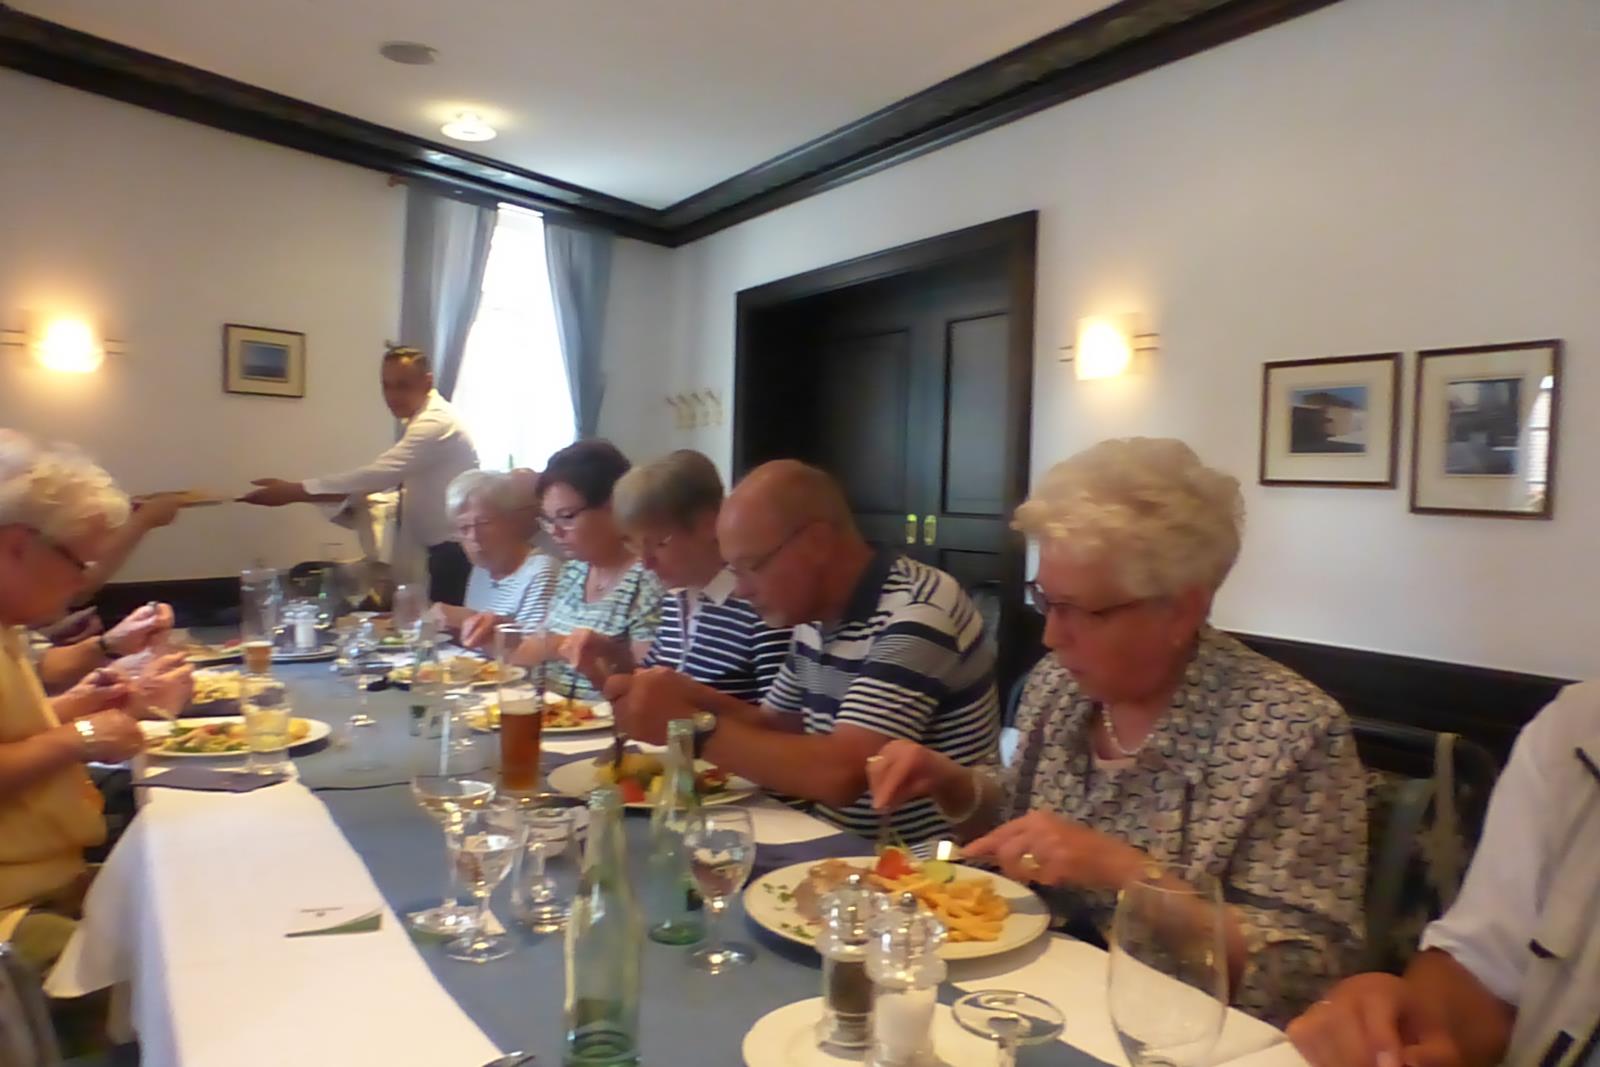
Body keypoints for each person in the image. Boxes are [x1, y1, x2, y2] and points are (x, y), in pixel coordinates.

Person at [866, 437, 1366, 1025]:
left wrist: (1128, 875)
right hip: (1021, 999)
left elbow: (1302, 975)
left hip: (1174, 1037)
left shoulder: (1291, 732)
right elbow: (1023, 829)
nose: (1051, 635)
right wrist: (955, 786)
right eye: (1045, 601)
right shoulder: (1059, 687)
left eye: (1083, 611)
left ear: (1181, 610)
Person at [607, 460, 998, 843]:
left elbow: (843, 775)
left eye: (750, 567)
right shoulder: (814, 612)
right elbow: (778, 726)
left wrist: (691, 725)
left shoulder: (917, 611)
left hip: (923, 866)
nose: (740, 590)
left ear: (816, 543)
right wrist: (686, 693)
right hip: (835, 848)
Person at [1286, 681, 1600, 1067]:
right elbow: (1484, 972)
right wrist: (1399, 1028)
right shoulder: (1577, 729)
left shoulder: (1295, 718)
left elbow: (1294, 955)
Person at [0, 433, 155, 970]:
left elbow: (14, 733)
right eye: (78, 562)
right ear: (17, 546)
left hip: (51, 878)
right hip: (14, 909)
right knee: (160, 970)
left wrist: (81, 708)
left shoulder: (8, 628)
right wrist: (80, 737)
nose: (84, 581)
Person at [239, 345, 479, 604]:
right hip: (438, 547)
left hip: (454, 550)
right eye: (386, 385)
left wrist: (294, 492)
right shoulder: (422, 418)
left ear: (427, 382)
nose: (392, 396)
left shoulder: (435, 423)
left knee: (445, 625)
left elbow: (377, 475)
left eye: (402, 386)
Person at [566, 449, 793, 701]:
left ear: (709, 524)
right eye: (636, 546)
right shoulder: (676, 599)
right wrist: (608, 655)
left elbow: (780, 720)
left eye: (659, 543)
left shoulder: (760, 607)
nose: (646, 563)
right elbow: (650, 692)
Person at [505, 440, 663, 700]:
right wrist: (504, 633)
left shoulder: (649, 578)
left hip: (603, 720)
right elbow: (530, 652)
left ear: (613, 507)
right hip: (552, 713)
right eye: (548, 520)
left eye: (567, 517)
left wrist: (558, 646)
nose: (555, 532)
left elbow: (647, 687)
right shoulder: (574, 571)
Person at [430, 470, 559, 647]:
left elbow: (532, 654)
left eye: (484, 523)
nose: (474, 536)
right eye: (464, 528)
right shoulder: (482, 569)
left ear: (511, 521)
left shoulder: (540, 572)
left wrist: (469, 620)